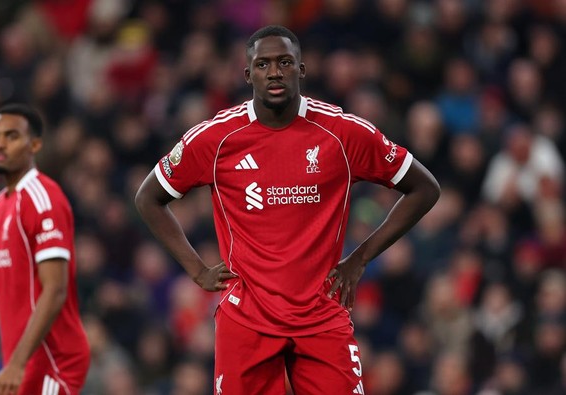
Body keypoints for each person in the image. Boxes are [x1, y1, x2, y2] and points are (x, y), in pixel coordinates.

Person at [135, 25, 440, 394]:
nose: (275, 72)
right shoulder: (216, 138)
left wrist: (360, 259)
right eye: (263, 64)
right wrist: (196, 270)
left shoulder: (342, 134)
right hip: (248, 320)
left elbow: (424, 188)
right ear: (248, 74)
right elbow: (148, 198)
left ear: (302, 69)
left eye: (285, 62)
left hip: (321, 315)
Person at [0, 103, 90, 395]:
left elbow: (55, 289)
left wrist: (17, 363)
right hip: (22, 360)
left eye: (11, 136)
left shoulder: (43, 198)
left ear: (35, 144)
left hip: (53, 359)